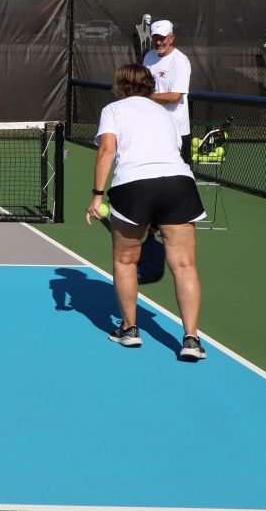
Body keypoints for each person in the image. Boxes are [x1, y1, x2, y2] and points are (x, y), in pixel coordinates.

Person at [87, 64, 207, 361]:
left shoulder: (113, 110)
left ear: (119, 85)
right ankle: (191, 339)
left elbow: (107, 150)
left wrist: (97, 195)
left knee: (125, 260)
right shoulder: (166, 114)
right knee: (184, 265)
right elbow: (173, 150)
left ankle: (129, 330)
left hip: (134, 186)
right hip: (178, 183)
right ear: (150, 85)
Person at [142, 20, 192, 166]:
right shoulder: (149, 57)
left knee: (179, 175)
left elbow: (174, 97)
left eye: (162, 38)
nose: (159, 42)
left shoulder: (180, 61)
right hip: (154, 128)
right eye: (155, 38)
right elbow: (144, 86)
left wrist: (145, 97)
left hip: (176, 131)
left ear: (171, 38)